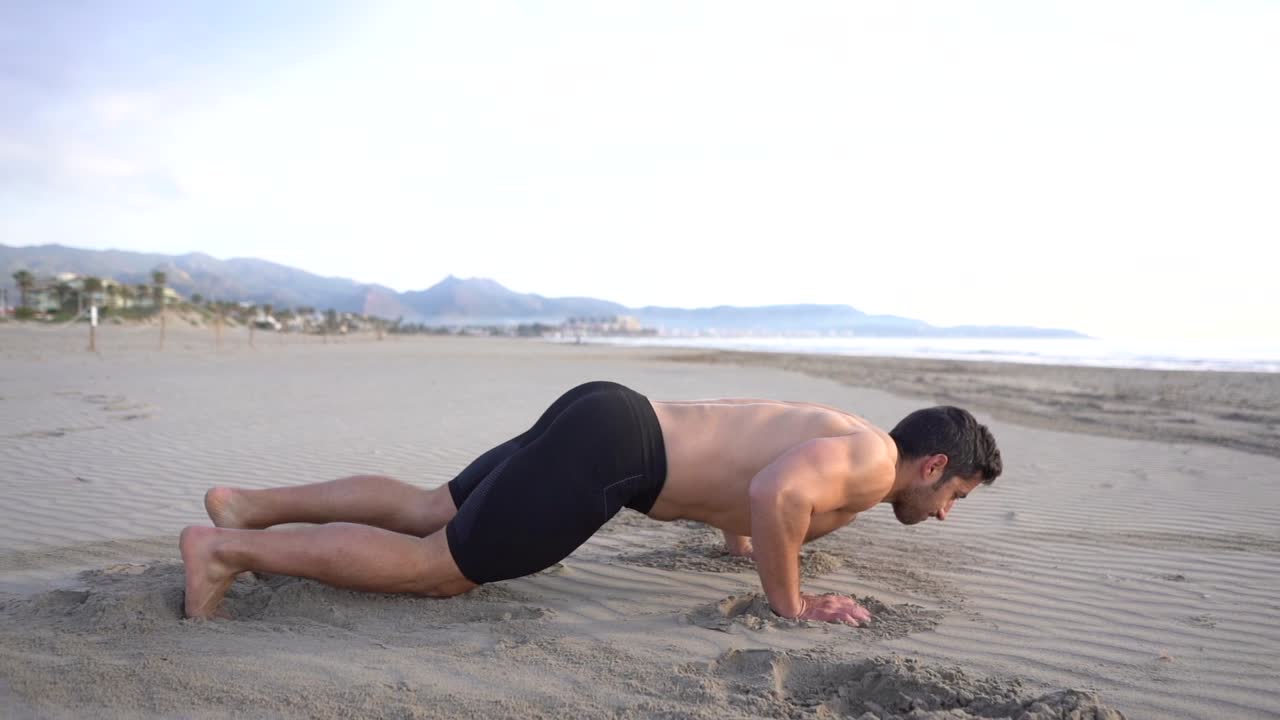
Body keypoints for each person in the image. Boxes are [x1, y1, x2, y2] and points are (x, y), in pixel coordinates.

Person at [181, 380, 1002, 623]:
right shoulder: (869, 463)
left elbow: (755, 483)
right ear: (933, 465)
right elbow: (773, 490)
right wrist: (793, 603)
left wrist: (743, 543)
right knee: (441, 568)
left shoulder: (853, 444)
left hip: (612, 412)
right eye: (956, 495)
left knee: (437, 504)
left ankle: (246, 507)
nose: (945, 514)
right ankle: (225, 550)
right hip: (620, 454)